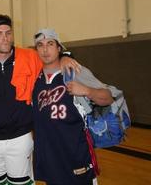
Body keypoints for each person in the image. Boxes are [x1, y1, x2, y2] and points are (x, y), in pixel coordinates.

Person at [0, 15, 80, 185]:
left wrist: (66, 56)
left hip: (20, 136)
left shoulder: (28, 57)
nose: (5, 37)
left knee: (21, 183)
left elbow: (50, 56)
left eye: (8, 32)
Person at [32, 28, 114, 185]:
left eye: (50, 44)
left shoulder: (75, 71)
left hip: (76, 157)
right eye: (40, 45)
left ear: (59, 48)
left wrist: (87, 90)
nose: (45, 49)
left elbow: (108, 97)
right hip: (50, 160)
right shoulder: (35, 78)